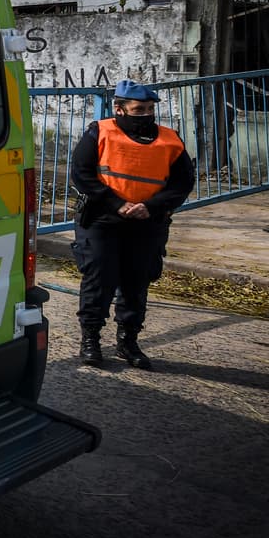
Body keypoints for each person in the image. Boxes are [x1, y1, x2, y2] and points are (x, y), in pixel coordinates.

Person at [70, 79, 195, 370]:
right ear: (119, 109)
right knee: (98, 280)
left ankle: (128, 341)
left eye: (150, 109)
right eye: (138, 109)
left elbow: (183, 182)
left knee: (136, 283)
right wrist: (118, 204)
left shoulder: (170, 139)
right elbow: (82, 174)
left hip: (146, 222)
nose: (146, 115)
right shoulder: (99, 132)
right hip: (102, 219)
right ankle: (91, 340)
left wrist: (150, 206)